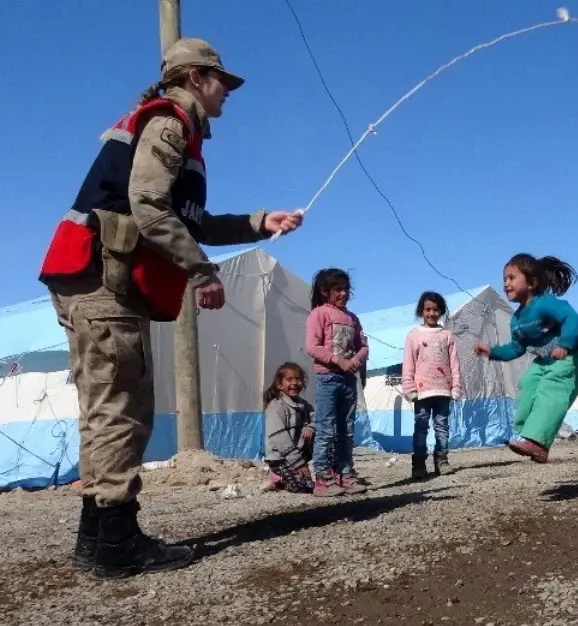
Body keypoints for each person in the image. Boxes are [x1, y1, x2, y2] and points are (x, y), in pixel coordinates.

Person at [37, 38, 303, 578]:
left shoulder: (167, 128)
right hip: (103, 282)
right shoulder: (169, 124)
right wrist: (202, 272)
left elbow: (189, 220)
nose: (227, 94)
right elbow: (151, 208)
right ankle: (117, 543)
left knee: (106, 408)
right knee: (122, 408)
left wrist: (258, 224)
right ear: (198, 77)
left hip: (88, 278)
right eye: (222, 83)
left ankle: (97, 539)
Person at [474, 254, 578, 464]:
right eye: (504, 279)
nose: (506, 283)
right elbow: (516, 348)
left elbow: (571, 317)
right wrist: (492, 352)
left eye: (511, 278)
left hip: (572, 357)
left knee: (551, 389)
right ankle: (534, 438)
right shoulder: (517, 320)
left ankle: (538, 439)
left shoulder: (545, 304)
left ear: (532, 283)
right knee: (528, 383)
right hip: (545, 361)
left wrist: (565, 343)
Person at [305, 268, 370, 496]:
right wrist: (337, 361)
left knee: (347, 429)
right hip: (327, 378)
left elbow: (363, 346)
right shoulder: (319, 314)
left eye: (346, 289)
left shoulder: (352, 318)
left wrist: (354, 361)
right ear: (325, 291)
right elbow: (312, 347)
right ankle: (322, 476)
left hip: (347, 380)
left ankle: (345, 472)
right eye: (338, 289)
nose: (343, 294)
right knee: (325, 428)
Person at [402, 291, 463, 479]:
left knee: (442, 426)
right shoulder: (414, 336)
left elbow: (454, 363)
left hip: (443, 390)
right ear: (421, 311)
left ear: (441, 312)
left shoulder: (447, 335)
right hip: (421, 392)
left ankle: (442, 461)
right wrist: (409, 388)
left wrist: (456, 386)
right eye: (428, 309)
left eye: (436, 310)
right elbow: (408, 363)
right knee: (421, 428)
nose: (432, 313)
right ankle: (419, 464)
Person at [261, 363, 315, 493]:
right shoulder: (276, 407)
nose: (295, 383)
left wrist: (310, 428)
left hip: (297, 455)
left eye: (298, 379)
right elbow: (280, 439)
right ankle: (276, 477)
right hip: (279, 458)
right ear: (280, 385)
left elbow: (315, 419)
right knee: (301, 488)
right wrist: (299, 463)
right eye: (289, 380)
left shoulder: (304, 405)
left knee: (309, 485)